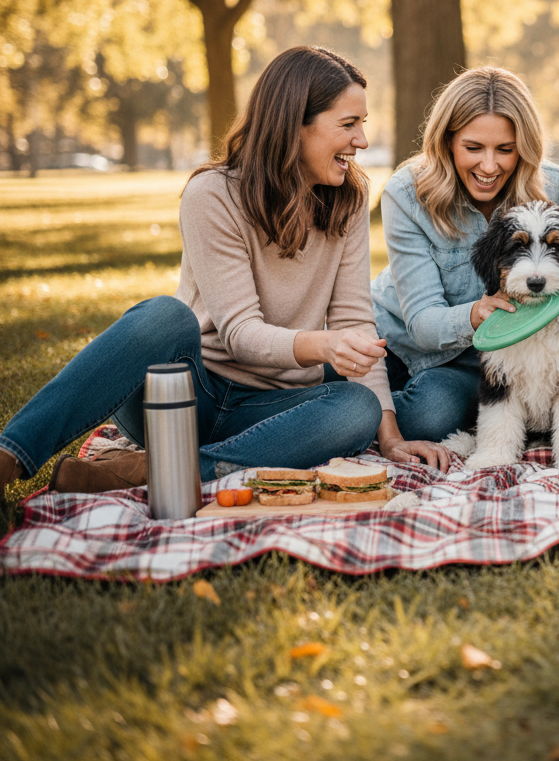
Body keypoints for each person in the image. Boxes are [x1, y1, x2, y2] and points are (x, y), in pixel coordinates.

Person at [0, 45, 447, 498]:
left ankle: (153, 471)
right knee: (165, 315)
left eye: (362, 124)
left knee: (357, 408)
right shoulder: (212, 194)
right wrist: (323, 345)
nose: (362, 141)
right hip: (185, 396)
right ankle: (11, 455)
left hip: (272, 408)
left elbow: (355, 320)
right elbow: (239, 333)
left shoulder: (347, 201)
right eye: (348, 124)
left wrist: (389, 437)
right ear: (295, 125)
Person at [371, 66, 559, 441]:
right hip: (395, 342)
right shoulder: (405, 193)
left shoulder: (553, 188)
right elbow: (422, 323)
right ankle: (363, 407)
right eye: (473, 148)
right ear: (447, 142)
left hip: (480, 360)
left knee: (429, 418)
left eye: (505, 150)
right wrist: (477, 313)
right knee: (302, 383)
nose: (489, 166)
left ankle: (373, 414)